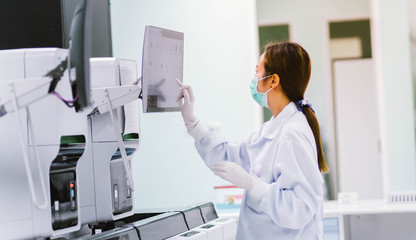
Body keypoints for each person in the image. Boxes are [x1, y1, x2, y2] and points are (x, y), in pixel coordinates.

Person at [176, 41, 328, 240]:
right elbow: (231, 157)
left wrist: (252, 185)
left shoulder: (292, 134)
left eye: (258, 71)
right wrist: (192, 123)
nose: (254, 78)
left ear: (273, 81)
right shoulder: (274, 128)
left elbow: (299, 209)